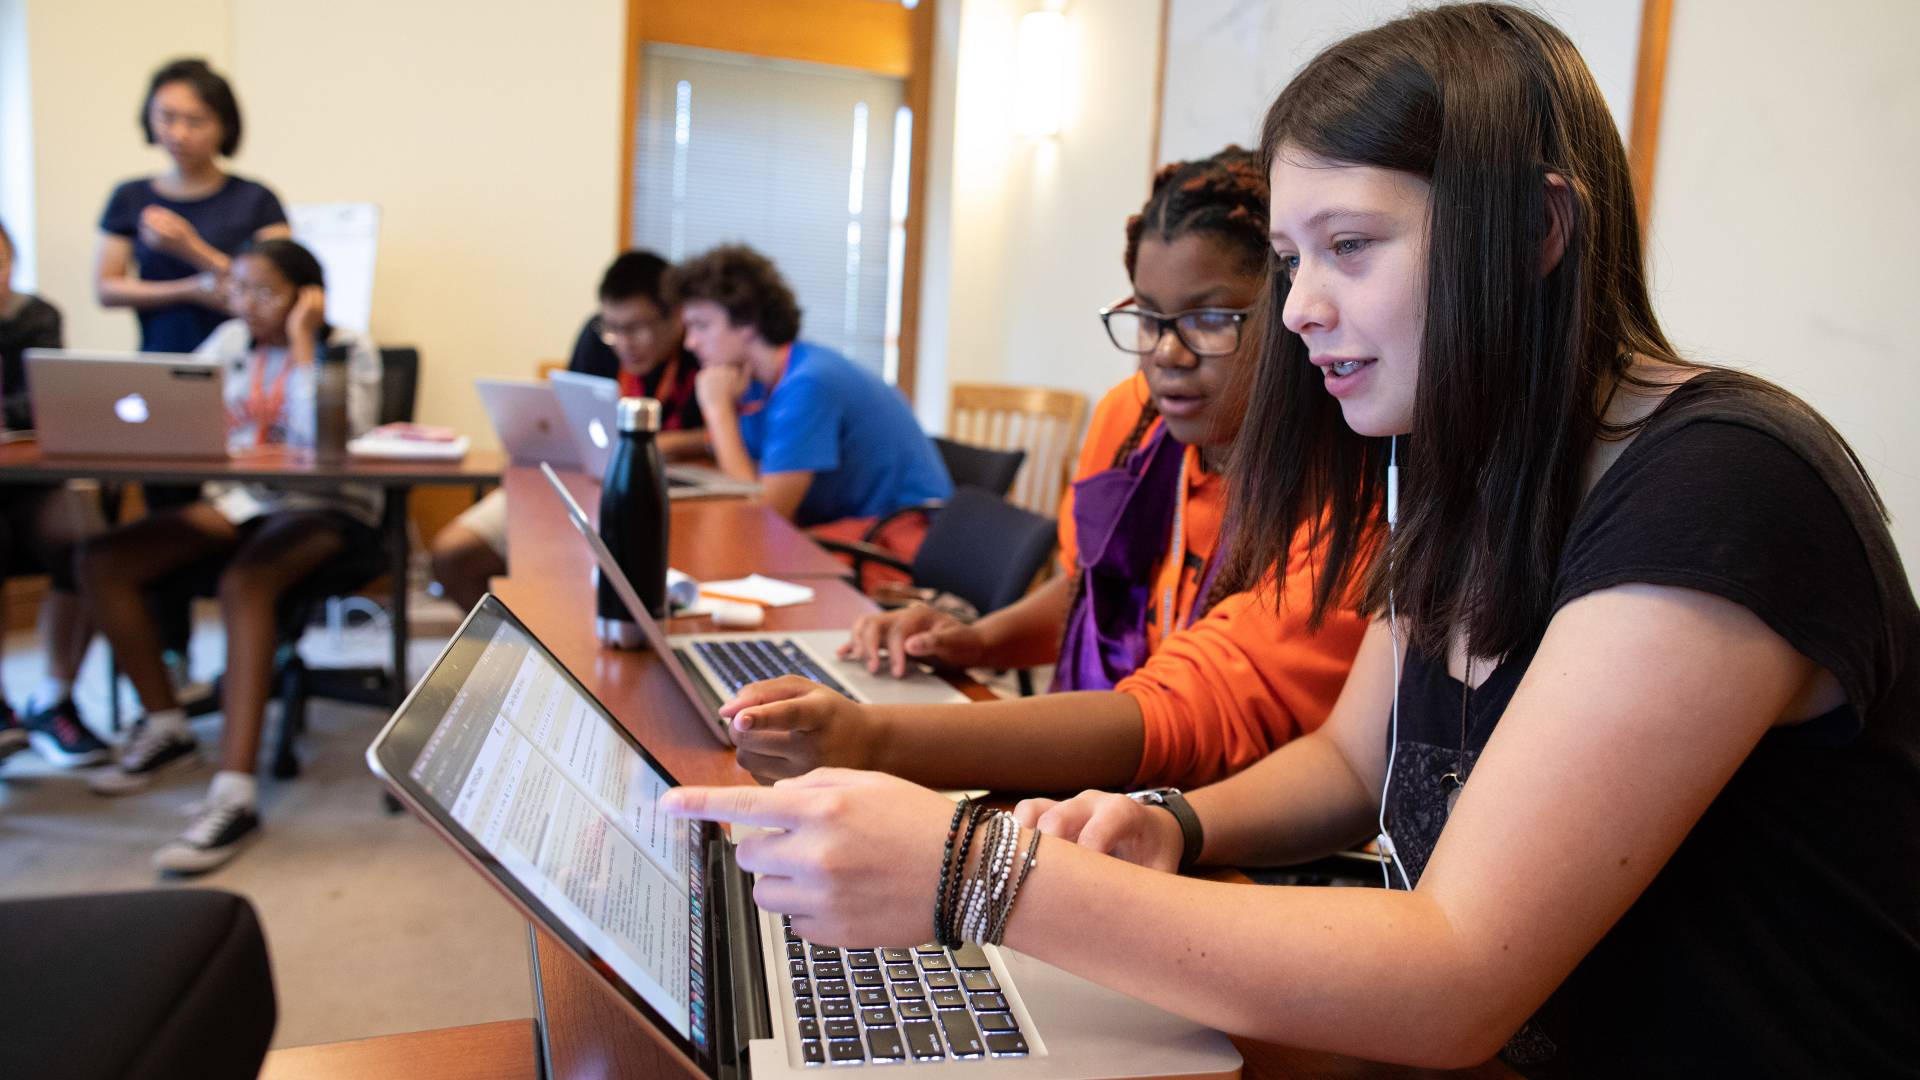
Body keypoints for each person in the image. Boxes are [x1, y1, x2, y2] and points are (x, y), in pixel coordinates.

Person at [661, 5, 1920, 1074]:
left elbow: (1457, 973)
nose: (1301, 308)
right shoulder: (1454, 466)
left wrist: (977, 875)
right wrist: (1177, 826)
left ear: (1537, 232)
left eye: (1349, 248)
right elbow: (1347, 760)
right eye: (1286, 260)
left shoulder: (1718, 485)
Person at [716, 150, 1367, 793]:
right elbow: (1095, 589)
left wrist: (873, 741)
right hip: (1097, 778)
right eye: (1149, 318)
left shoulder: (1346, 488)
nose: (1167, 353)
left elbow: (1186, 715)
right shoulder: (1133, 421)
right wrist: (977, 642)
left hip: (1223, 811)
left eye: (1210, 319)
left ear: (1291, 311)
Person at [78, 239, 381, 874]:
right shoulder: (227, 344)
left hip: (325, 506)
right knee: (103, 561)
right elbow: (171, 413)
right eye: (239, 289)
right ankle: (166, 726)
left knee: (246, 584)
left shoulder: (348, 348)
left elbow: (330, 445)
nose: (247, 303)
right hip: (241, 501)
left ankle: (234, 795)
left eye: (265, 291)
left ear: (307, 295)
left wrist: (302, 342)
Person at [96, 57, 291, 687]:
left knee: (249, 509)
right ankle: (172, 655)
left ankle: (260, 648)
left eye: (195, 119)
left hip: (245, 374)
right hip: (164, 367)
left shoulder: (254, 199)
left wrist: (192, 253)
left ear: (223, 125)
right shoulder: (131, 197)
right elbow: (107, 287)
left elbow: (279, 283)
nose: (178, 132)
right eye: (166, 117)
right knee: (165, 511)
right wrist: (189, 287)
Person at [430, 250, 702, 610]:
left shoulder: (701, 347)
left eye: (635, 327)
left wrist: (656, 445)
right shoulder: (596, 339)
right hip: (577, 483)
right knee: (452, 554)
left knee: (586, 578)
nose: (623, 343)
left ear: (675, 317)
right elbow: (570, 419)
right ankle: (520, 637)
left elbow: (721, 437)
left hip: (661, 500)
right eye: (613, 327)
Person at [668, 245, 951, 545]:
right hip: (850, 527)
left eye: (701, 326)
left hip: (901, 533)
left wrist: (717, 409)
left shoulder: (809, 384)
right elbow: (751, 473)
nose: (690, 342)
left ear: (747, 322)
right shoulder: (758, 380)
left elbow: (762, 517)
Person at [0, 218, 112, 770]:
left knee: (87, 539)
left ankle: (54, 698)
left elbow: (43, 398)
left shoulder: (35, 316)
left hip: (30, 479)